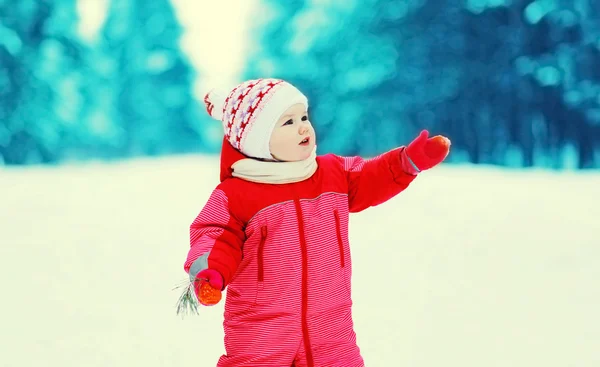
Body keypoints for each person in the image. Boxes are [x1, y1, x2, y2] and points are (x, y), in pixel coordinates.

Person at [181, 78, 451, 367]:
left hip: (330, 323)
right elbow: (215, 235)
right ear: (256, 139)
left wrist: (407, 161)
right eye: (287, 122)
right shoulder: (236, 194)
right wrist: (211, 271)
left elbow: (372, 176)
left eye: (304, 117)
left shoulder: (332, 173)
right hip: (261, 328)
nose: (303, 127)